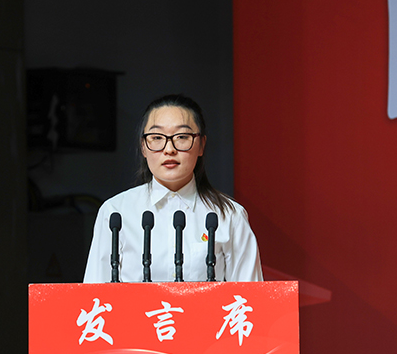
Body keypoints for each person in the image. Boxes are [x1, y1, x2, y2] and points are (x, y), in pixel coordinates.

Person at [83, 94, 263, 283]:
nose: (169, 149)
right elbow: (94, 293)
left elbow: (249, 297)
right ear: (143, 147)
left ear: (201, 145)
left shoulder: (230, 216)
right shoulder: (115, 212)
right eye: (156, 137)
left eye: (182, 137)